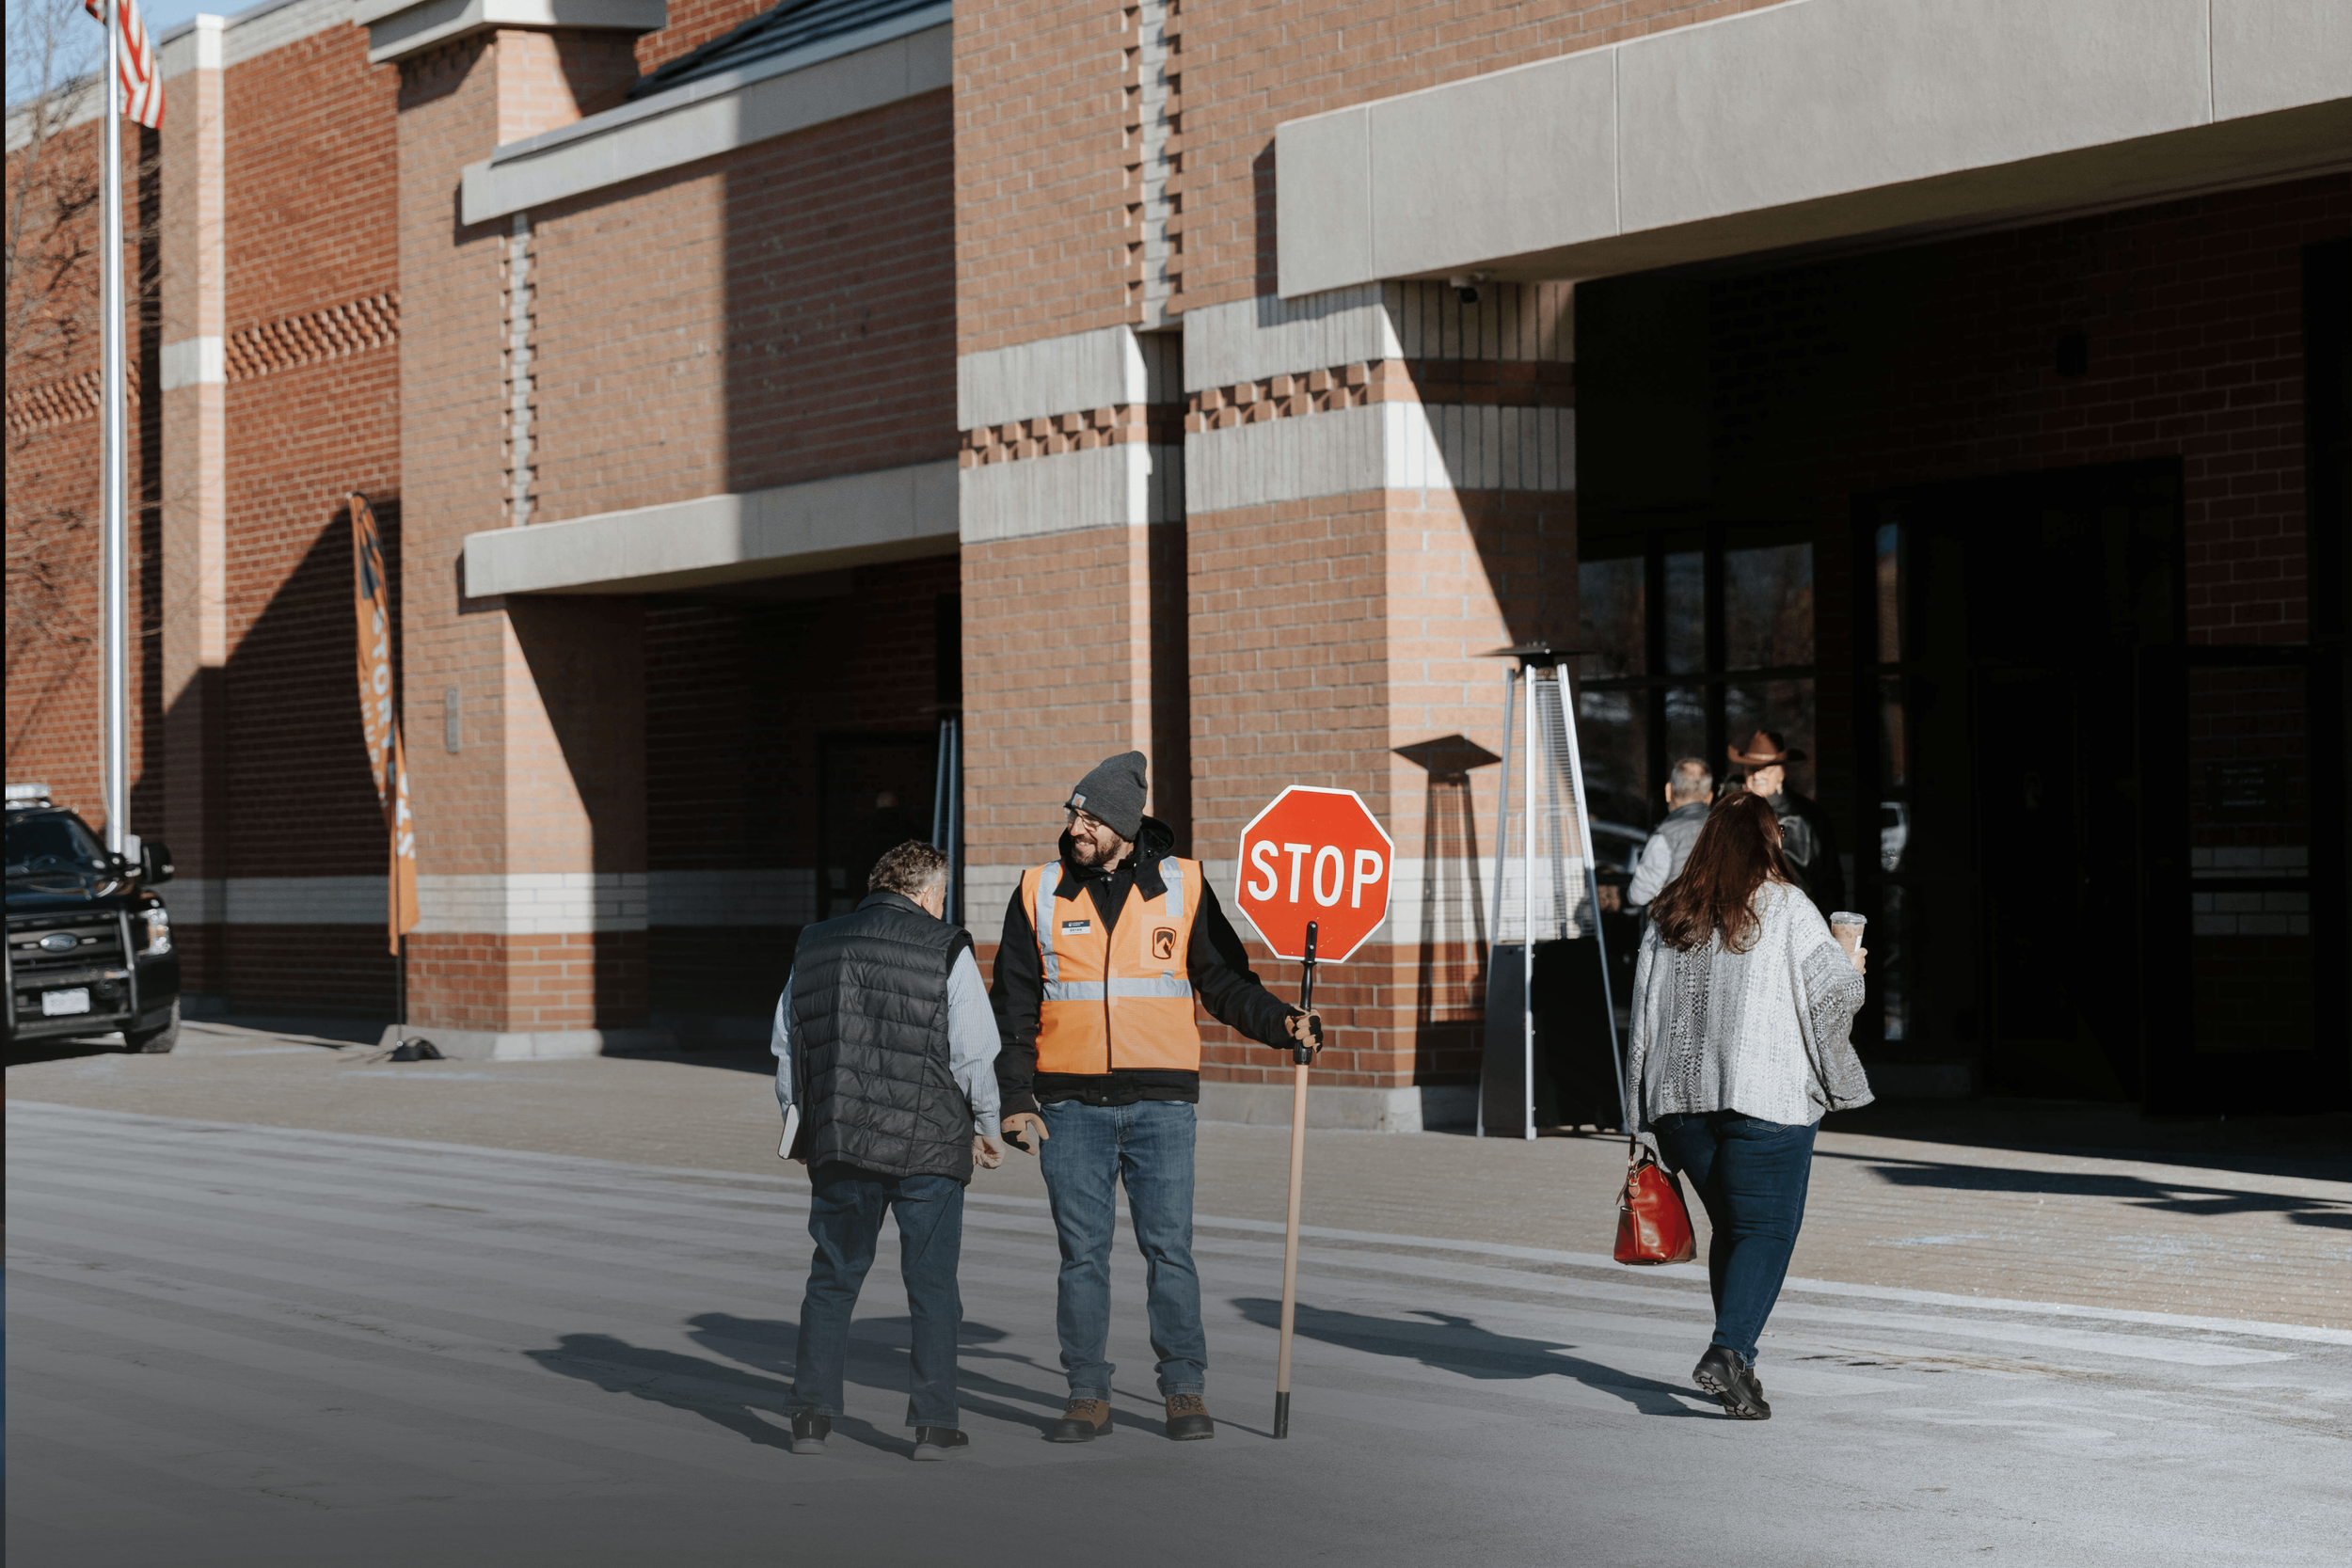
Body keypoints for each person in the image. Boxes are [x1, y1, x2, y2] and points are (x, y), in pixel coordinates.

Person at [992, 752, 1321, 1443]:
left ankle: (1184, 1390)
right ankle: (1087, 1393)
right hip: (1070, 1107)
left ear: (1121, 822)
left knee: (1170, 1249)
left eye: (1089, 816)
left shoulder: (1184, 885)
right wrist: (1015, 1095)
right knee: (1082, 1255)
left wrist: (1283, 1023)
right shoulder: (1036, 889)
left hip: (1162, 1107)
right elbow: (1014, 1007)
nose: (1075, 825)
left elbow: (1226, 982)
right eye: (1073, 813)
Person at [1624, 792, 1871, 1420]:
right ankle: (1728, 1352)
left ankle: (1740, 1371)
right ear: (1769, 844)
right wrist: (1853, 967)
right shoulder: (1788, 907)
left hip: (1680, 1106)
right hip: (1766, 1098)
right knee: (1765, 1228)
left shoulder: (1667, 913)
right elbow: (1830, 1000)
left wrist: (1639, 1117)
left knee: (1734, 1229)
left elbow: (1641, 1021)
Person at [771, 840, 1004, 1461]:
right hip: (928, 1146)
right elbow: (974, 1051)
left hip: (840, 1140)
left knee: (832, 1278)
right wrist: (987, 1121)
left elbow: (788, 1043)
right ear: (928, 892)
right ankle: (932, 1425)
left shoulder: (815, 941)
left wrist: (798, 1122)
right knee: (931, 1286)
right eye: (943, 895)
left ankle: (810, 1419)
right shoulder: (945, 944)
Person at [1725, 730, 1846, 915]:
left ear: (1781, 773)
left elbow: (1828, 885)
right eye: (1751, 768)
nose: (1757, 776)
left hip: (1797, 922)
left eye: (1765, 768)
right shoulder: (1735, 814)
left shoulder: (1805, 819)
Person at [1626, 757, 1717, 908]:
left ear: (1668, 791)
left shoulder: (1665, 834)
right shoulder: (1727, 826)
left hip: (1677, 925)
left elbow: (1639, 895)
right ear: (1709, 797)